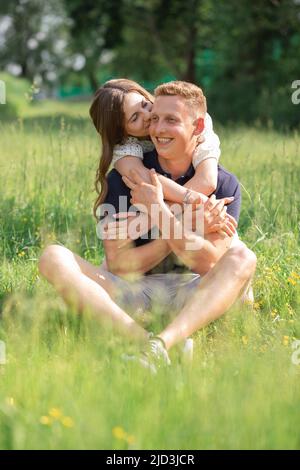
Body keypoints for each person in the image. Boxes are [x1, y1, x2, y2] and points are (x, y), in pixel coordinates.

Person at [39, 80, 256, 373]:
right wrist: (181, 221)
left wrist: (157, 212)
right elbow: (118, 264)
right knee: (53, 257)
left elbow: (209, 262)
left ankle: (163, 343)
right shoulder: (126, 176)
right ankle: (146, 343)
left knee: (243, 257)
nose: (156, 128)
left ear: (198, 127)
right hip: (135, 292)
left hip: (195, 291)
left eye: (169, 119)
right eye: (152, 120)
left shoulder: (222, 182)